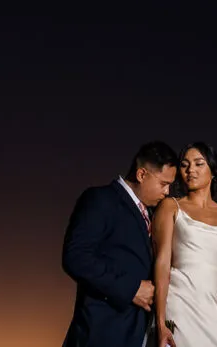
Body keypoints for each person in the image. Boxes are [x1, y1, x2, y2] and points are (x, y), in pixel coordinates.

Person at [62, 141, 179, 347]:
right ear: (142, 175)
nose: (167, 191)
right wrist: (131, 289)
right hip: (102, 334)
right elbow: (76, 257)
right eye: (163, 183)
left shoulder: (153, 215)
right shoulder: (101, 199)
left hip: (139, 333)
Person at [152, 142, 217, 347]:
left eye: (199, 164)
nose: (191, 170)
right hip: (180, 308)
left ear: (213, 170)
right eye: (185, 165)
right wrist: (161, 323)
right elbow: (162, 263)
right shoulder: (170, 206)